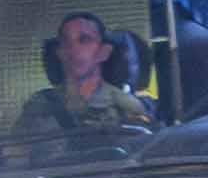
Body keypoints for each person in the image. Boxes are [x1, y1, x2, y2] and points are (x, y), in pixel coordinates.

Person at [14, 11, 159, 147]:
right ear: (59, 52)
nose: (73, 49)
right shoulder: (40, 106)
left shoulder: (128, 107)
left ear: (104, 51)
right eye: (66, 42)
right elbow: (14, 157)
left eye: (84, 40)